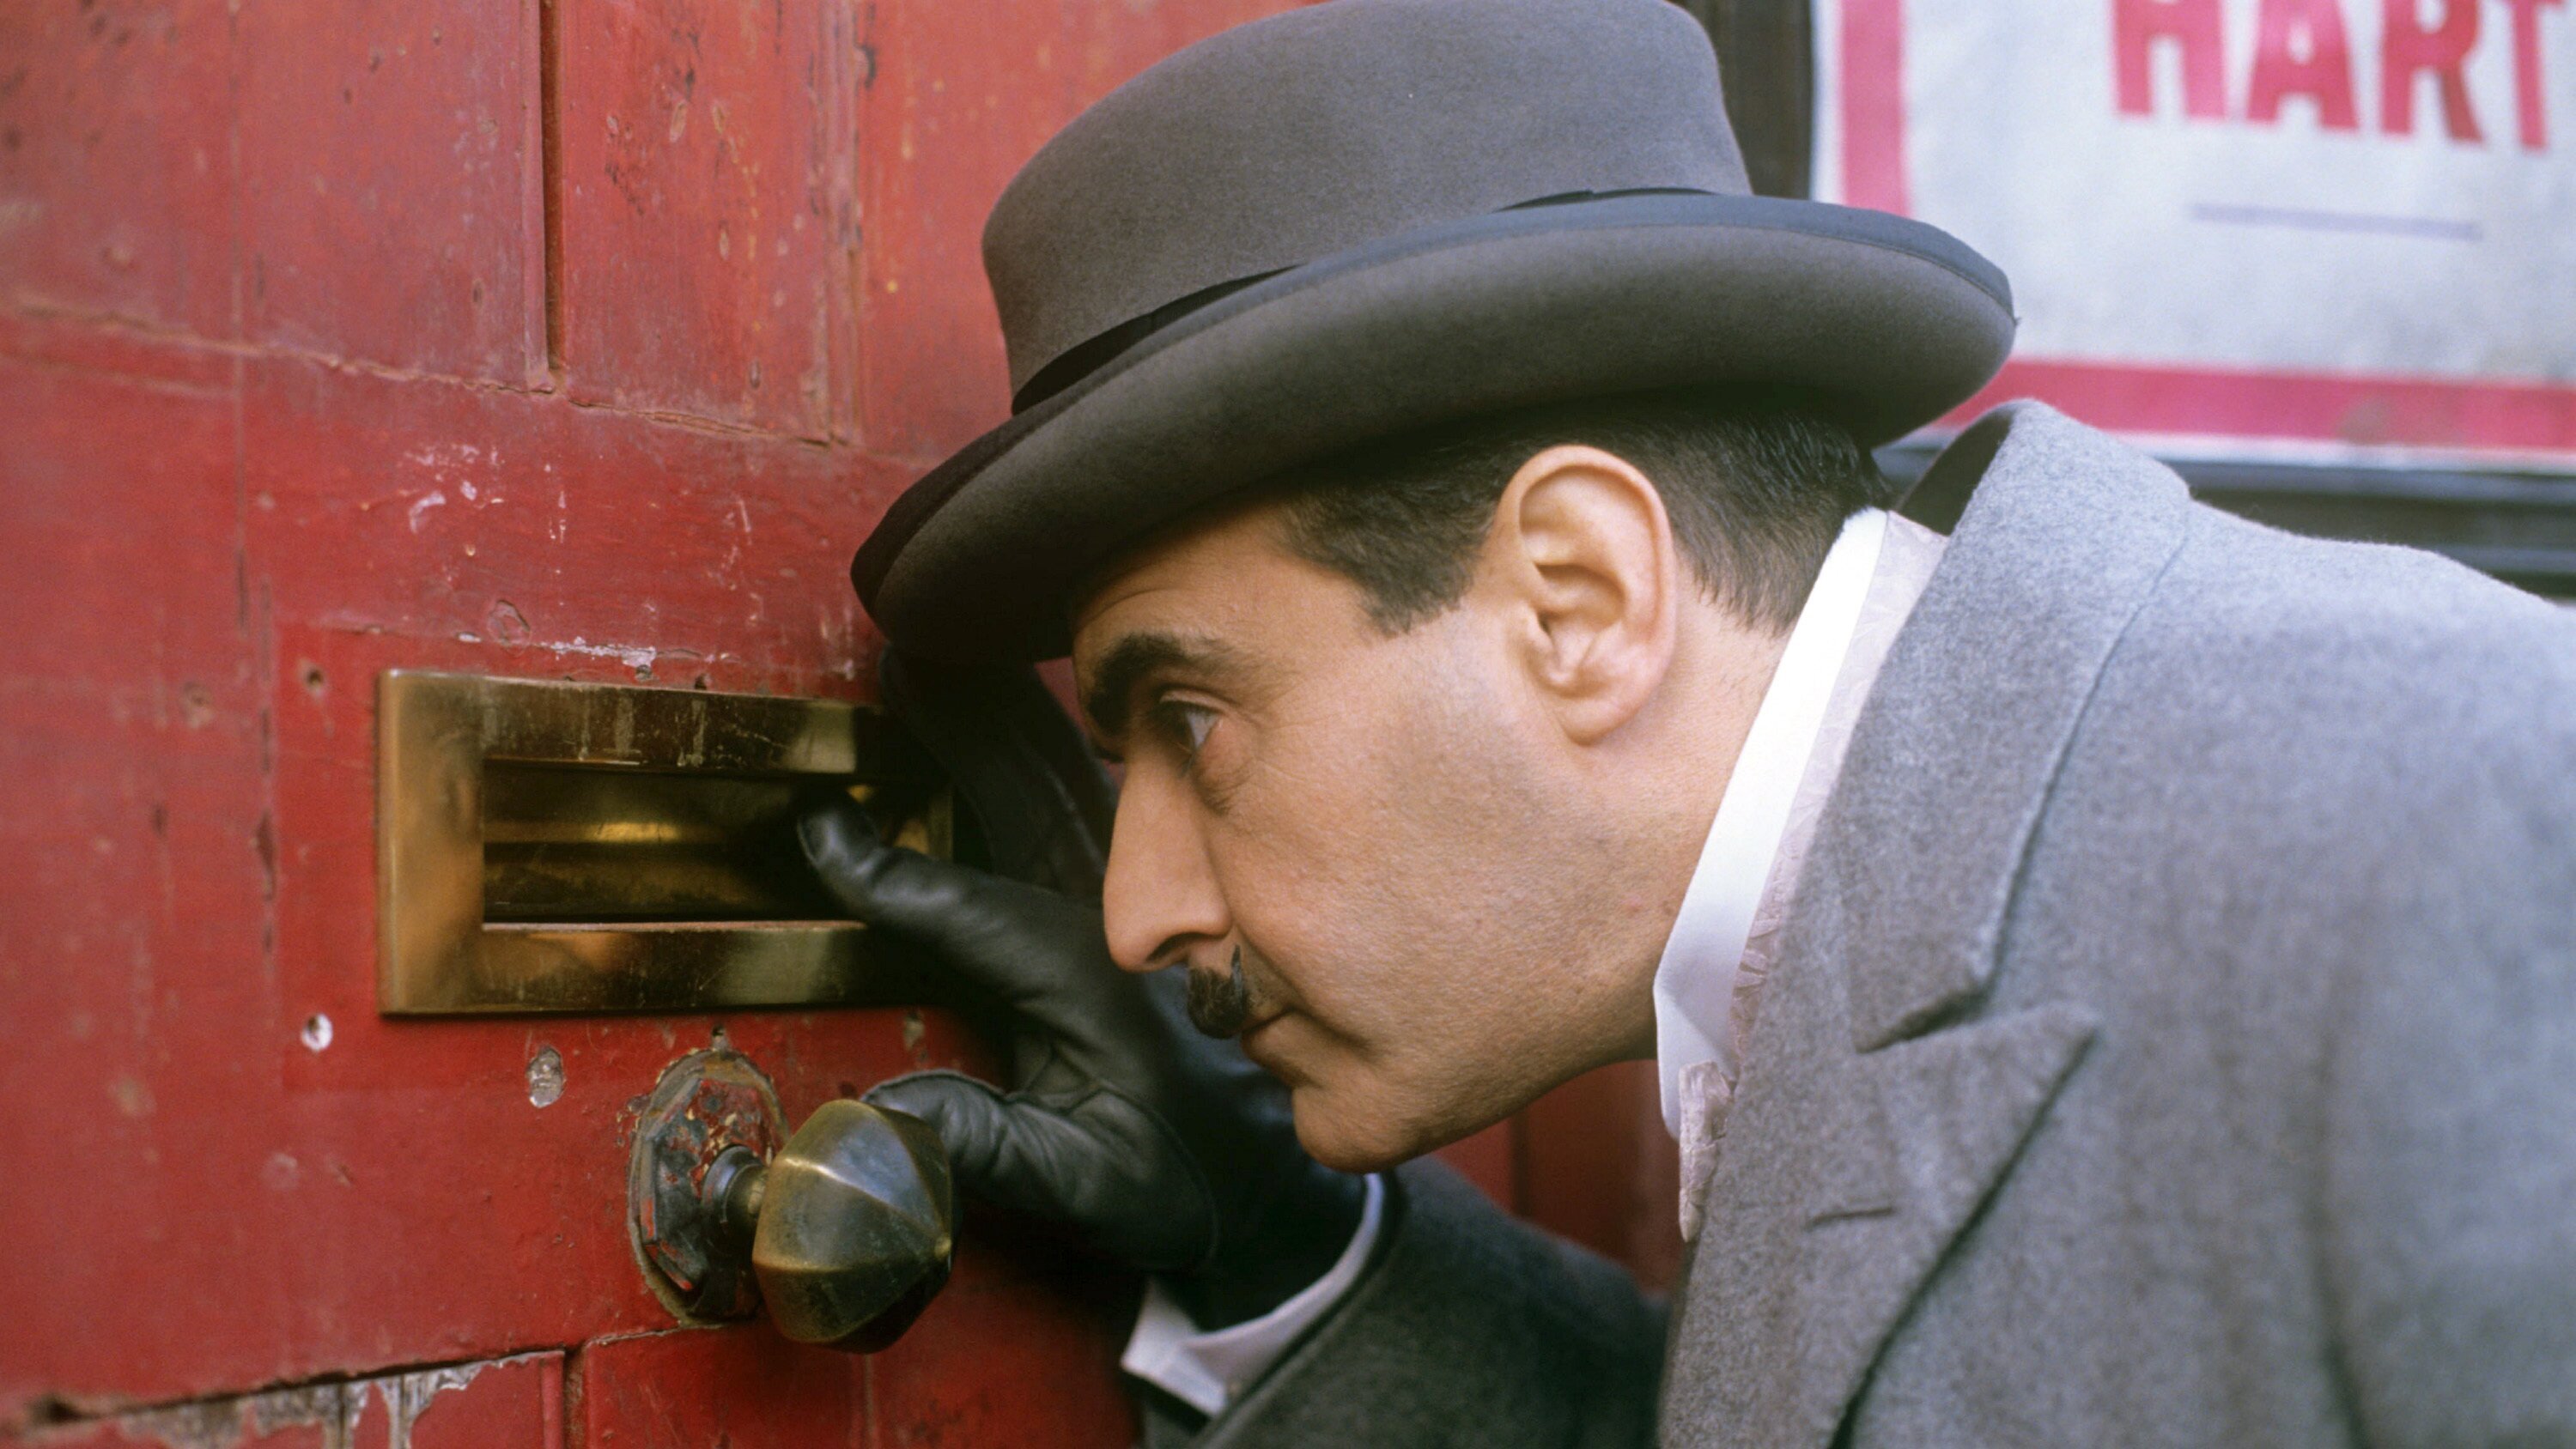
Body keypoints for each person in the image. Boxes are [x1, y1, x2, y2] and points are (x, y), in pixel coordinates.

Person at [799, 0, 2576, 1442]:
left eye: (1190, 721)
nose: (1135, 914)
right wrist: (1281, 1247)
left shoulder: (2476, 847)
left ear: (1581, 599)